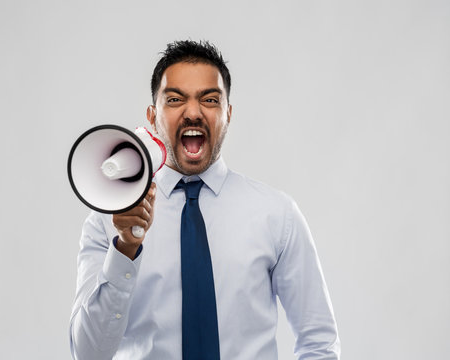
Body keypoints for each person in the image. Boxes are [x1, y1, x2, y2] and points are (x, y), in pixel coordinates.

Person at [69, 40, 340, 359]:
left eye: (209, 99)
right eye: (174, 99)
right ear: (153, 116)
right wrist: (126, 249)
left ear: (228, 113)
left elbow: (319, 342)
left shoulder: (276, 215)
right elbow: (88, 353)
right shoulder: (107, 222)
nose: (193, 112)